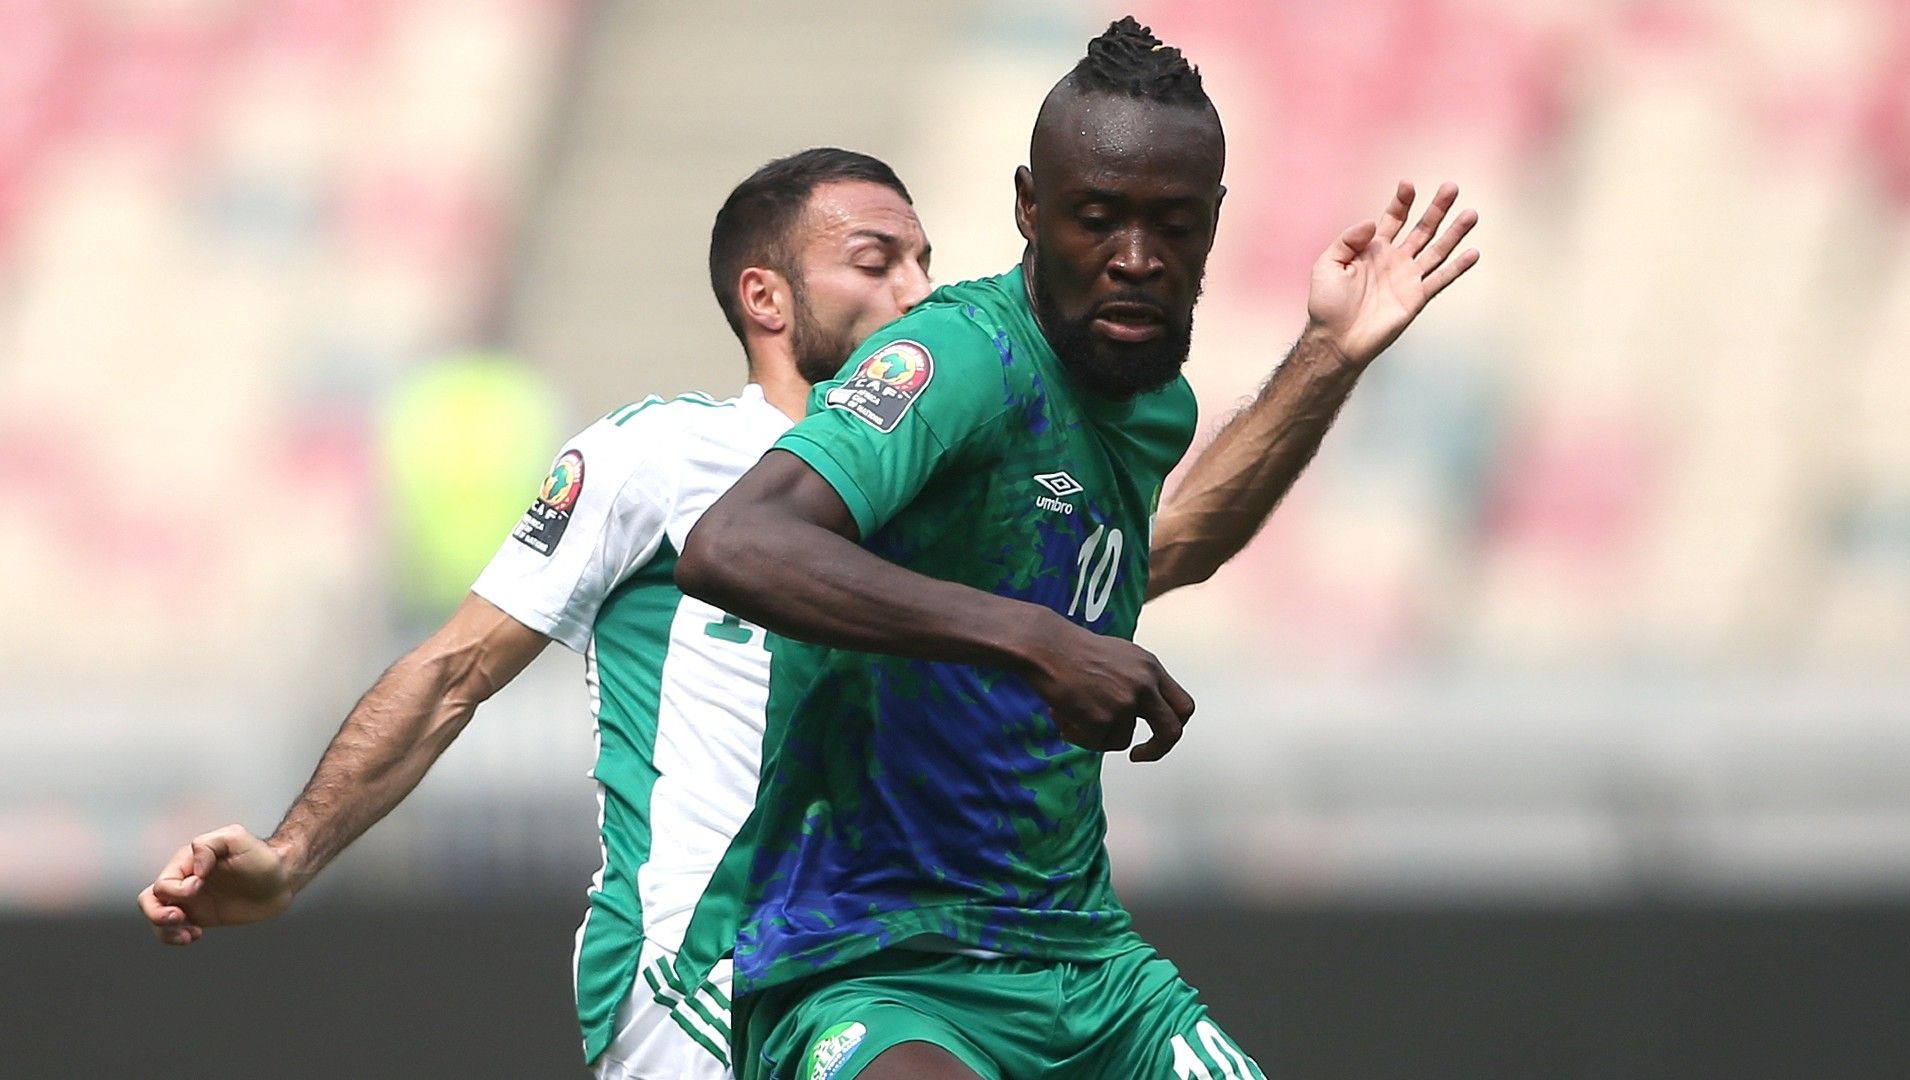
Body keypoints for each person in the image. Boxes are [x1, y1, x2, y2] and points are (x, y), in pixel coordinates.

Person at [133, 126, 1400, 1074]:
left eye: (925, 259)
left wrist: (1326, 356)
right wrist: (294, 853)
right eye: (874, 261)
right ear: (765, 297)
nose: (915, 290)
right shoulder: (656, 458)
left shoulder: (956, 457)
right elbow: (452, 671)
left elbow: (1157, 550)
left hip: (908, 952)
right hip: (705, 958)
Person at [670, 18, 1479, 1080]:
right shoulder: (957, 359)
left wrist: (1329, 354)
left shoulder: (1148, 403)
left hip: (1088, 969)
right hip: (874, 958)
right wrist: (1039, 642)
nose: (1136, 260)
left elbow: (1169, 549)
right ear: (1029, 208)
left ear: (1215, 221)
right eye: (1097, 220)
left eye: (1173, 226)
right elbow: (734, 542)